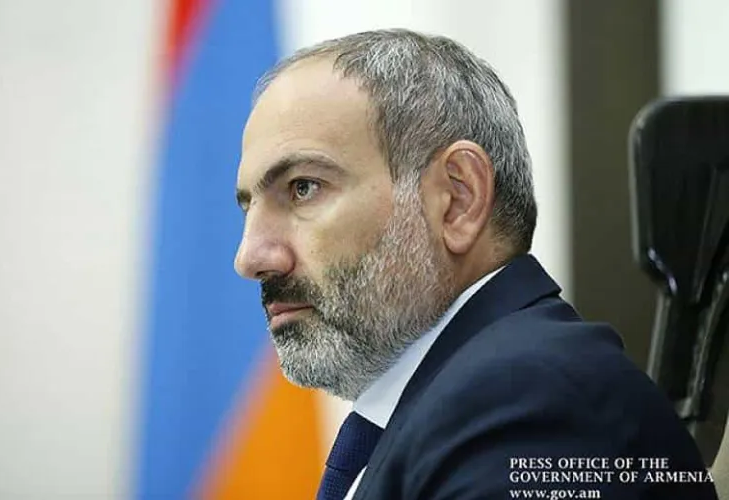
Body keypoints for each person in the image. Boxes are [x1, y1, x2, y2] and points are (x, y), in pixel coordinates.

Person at [233, 29, 717, 500]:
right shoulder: (459, 404)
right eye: (248, 207)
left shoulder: (529, 403)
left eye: (303, 188)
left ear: (457, 200)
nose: (249, 258)